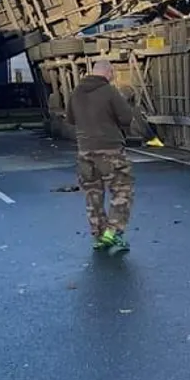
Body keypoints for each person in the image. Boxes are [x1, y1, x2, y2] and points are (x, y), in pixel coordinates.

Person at [65, 60, 135, 251]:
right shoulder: (110, 91)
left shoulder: (76, 93)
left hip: (85, 151)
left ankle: (98, 235)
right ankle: (113, 233)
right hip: (110, 150)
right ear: (108, 72)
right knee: (122, 191)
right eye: (112, 73)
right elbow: (126, 117)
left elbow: (70, 119)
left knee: (92, 194)